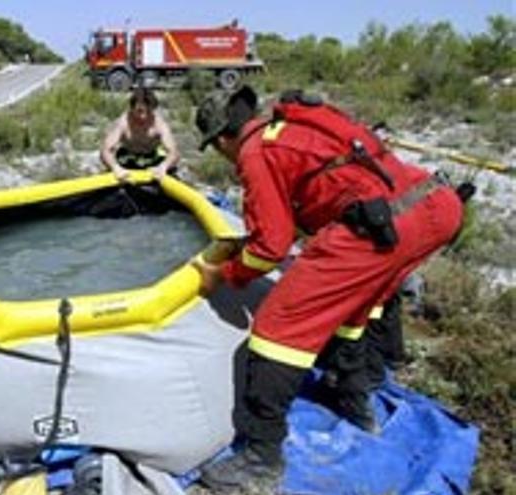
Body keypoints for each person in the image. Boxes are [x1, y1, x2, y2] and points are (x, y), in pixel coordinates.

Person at [191, 86, 464, 490]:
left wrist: (226, 273)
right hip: (435, 206)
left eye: (216, 148)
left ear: (223, 138)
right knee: (352, 310)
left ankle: (260, 460)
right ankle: (356, 407)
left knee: (277, 329)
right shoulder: (292, 126)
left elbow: (270, 247)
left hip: (381, 225)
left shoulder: (254, 151)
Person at [100, 87, 180, 181]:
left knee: (173, 175)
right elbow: (105, 150)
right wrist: (115, 168)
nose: (144, 117)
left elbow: (174, 153)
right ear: (132, 108)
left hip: (152, 159)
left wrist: (164, 166)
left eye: (148, 112)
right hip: (127, 158)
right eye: (140, 111)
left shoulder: (159, 124)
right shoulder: (123, 122)